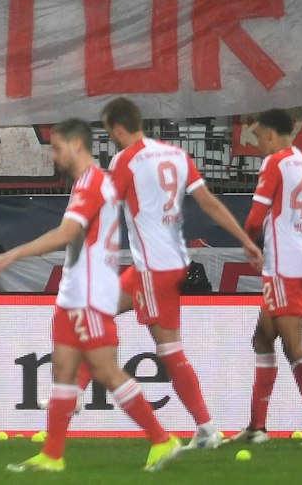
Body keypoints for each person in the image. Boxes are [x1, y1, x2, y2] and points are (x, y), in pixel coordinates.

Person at [0, 119, 183, 473]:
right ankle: (52, 454)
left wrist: (12, 255)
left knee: (106, 370)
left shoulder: (92, 182)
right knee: (63, 370)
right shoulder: (89, 182)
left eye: (56, 147)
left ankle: (161, 439)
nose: (53, 155)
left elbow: (67, 233)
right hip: (74, 291)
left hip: (92, 292)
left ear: (77, 145)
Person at [103, 98, 261, 448]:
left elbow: (103, 210)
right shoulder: (176, 155)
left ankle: (207, 427)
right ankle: (65, 401)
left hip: (152, 268)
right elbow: (207, 202)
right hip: (171, 261)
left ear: (117, 128)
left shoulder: (124, 160)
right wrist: (244, 239)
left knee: (169, 350)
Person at [229, 108, 302, 444]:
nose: (258, 143)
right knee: (262, 338)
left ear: (274, 135)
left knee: (293, 347)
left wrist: (250, 243)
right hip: (301, 262)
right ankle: (257, 428)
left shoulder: (275, 163)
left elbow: (256, 215)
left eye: (260, 136)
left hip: (282, 267)